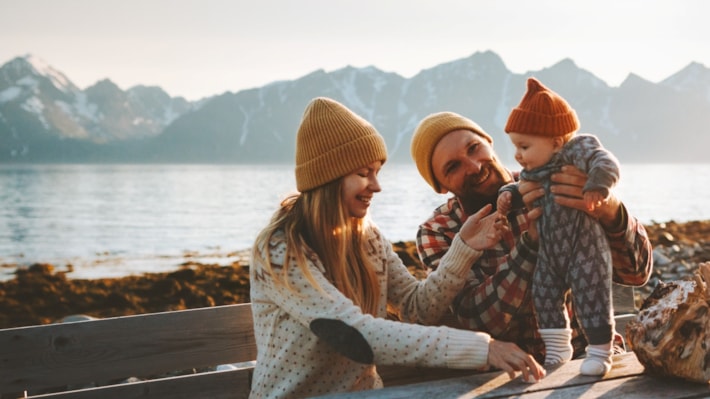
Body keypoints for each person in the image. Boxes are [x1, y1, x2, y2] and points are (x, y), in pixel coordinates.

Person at [249, 97, 545, 399]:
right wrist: (484, 348)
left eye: (377, 172)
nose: (376, 186)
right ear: (329, 177)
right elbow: (352, 332)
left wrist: (464, 248)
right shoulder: (281, 249)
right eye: (364, 174)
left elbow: (418, 309)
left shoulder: (367, 238)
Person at [409, 99, 653, 369]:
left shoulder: (560, 179)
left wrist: (609, 209)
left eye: (474, 148)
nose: (475, 167)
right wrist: (530, 246)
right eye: (453, 167)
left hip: (591, 356)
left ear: (489, 142)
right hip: (509, 373)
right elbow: (476, 319)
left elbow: (637, 273)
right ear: (440, 186)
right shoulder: (438, 231)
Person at [496, 77, 620, 375]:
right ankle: (557, 348)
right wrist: (506, 196)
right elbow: (517, 188)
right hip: (550, 254)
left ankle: (601, 352)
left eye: (524, 146)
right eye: (515, 146)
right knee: (544, 294)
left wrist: (598, 187)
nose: (517, 155)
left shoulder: (576, 152)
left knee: (592, 295)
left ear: (555, 141)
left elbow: (605, 162)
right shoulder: (533, 172)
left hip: (584, 248)